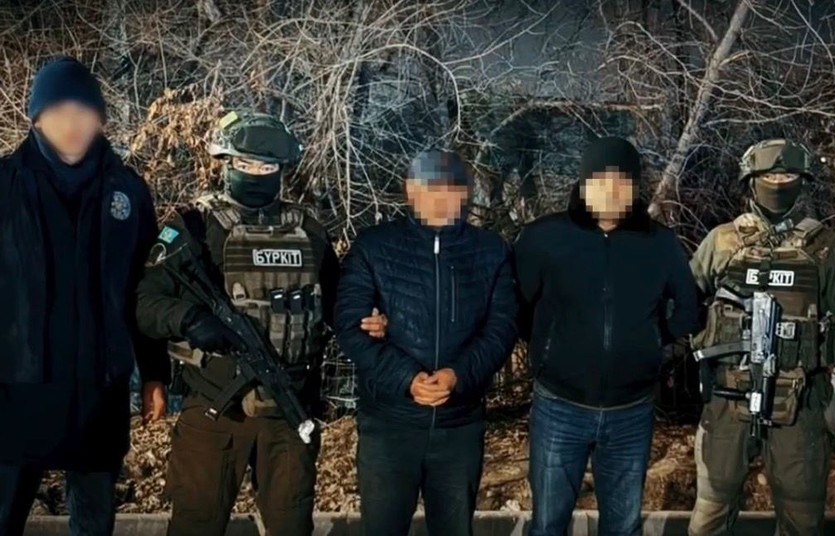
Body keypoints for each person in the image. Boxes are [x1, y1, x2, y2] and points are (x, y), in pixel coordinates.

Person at [135, 111, 338, 536]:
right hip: (215, 408)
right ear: (225, 162)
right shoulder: (193, 227)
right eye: (246, 164)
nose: (256, 174)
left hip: (288, 409)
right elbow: (145, 303)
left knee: (291, 525)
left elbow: (340, 306)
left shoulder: (310, 232)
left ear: (281, 170)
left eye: (267, 167)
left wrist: (372, 323)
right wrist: (189, 318)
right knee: (196, 524)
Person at [0, 56, 168, 536]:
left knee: (93, 525)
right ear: (37, 119)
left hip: (99, 391)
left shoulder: (128, 191)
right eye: (58, 112)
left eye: (83, 111)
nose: (71, 124)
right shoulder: (5, 186)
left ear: (100, 119)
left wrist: (154, 373)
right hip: (16, 389)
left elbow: (145, 289)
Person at [514, 137, 700, 536]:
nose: (611, 191)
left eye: (622, 182)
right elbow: (516, 308)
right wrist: (548, 350)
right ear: (583, 184)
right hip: (559, 406)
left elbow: (688, 307)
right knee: (547, 524)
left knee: (623, 526)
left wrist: (654, 343)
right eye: (600, 180)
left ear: (635, 189)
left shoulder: (660, 243)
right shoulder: (543, 238)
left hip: (631, 411)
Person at [688, 139, 835, 535]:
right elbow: (682, 306)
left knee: (802, 519)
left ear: (802, 181)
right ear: (751, 180)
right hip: (728, 400)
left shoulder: (825, 248)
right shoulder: (722, 242)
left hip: (800, 404)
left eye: (788, 175)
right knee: (710, 514)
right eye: (770, 175)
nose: (779, 182)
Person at [335, 149, 518, 536]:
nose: (441, 198)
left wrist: (458, 375)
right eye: (430, 187)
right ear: (411, 191)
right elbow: (350, 326)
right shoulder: (373, 247)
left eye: (451, 188)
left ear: (464, 193)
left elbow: (501, 328)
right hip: (389, 425)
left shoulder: (491, 251)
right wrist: (407, 378)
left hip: (459, 424)